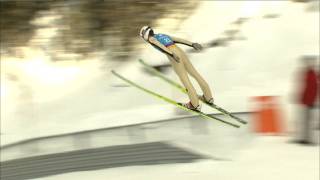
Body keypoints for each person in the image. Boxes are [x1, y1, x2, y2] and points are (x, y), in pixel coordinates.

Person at [139, 26, 214, 111]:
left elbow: (159, 45)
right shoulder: (161, 35)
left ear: (145, 34)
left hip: (174, 54)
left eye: (143, 37)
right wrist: (192, 44)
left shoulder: (151, 39)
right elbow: (177, 39)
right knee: (195, 74)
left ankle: (195, 104)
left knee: (185, 79)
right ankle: (209, 98)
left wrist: (171, 54)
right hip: (180, 50)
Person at [296, 55, 319, 145]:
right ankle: (305, 138)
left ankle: (309, 140)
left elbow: (313, 88)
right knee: (305, 121)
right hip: (307, 101)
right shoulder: (309, 73)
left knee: (309, 121)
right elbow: (305, 88)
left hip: (309, 102)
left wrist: (311, 101)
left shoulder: (312, 73)